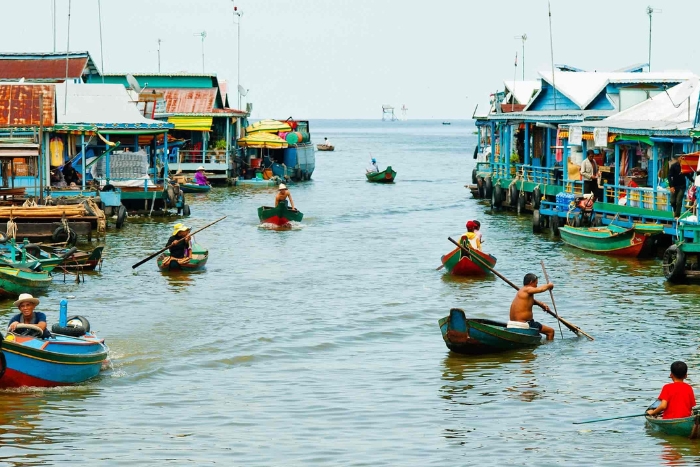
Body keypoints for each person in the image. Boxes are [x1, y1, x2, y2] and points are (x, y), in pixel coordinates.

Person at [508, 273, 555, 341]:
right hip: (525, 323)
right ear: (531, 282)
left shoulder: (522, 291)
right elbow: (540, 289)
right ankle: (549, 348)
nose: (536, 286)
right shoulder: (527, 289)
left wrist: (542, 304)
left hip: (514, 322)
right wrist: (550, 285)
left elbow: (530, 301)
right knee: (551, 331)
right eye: (536, 283)